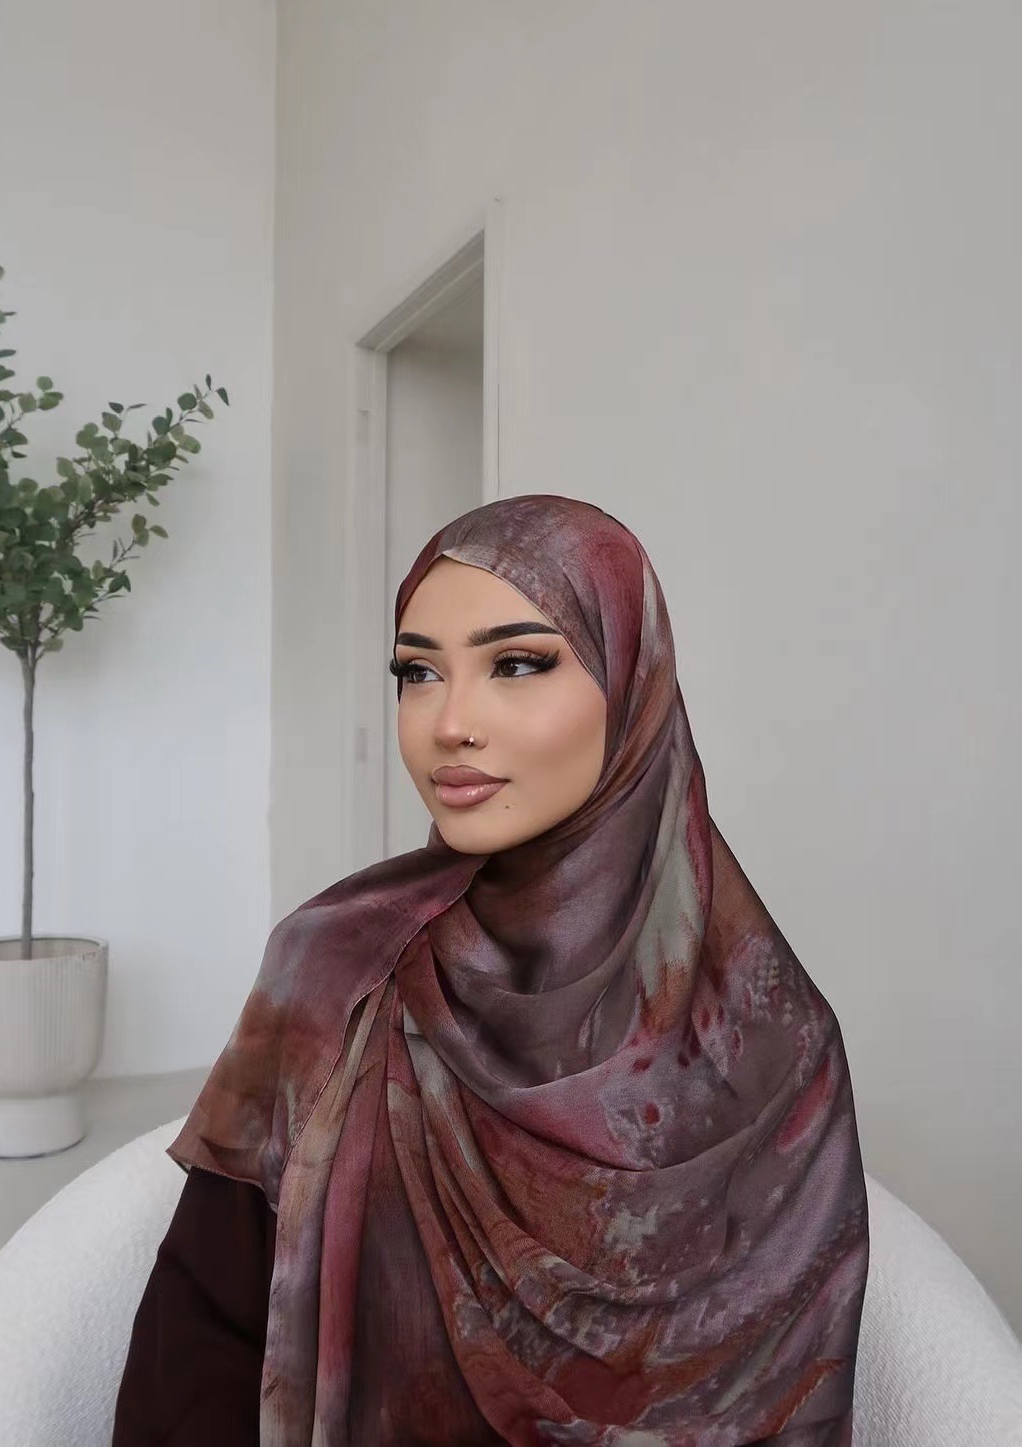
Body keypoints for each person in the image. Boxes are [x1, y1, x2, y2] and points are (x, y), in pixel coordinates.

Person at [113, 493, 870, 1445]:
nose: (448, 723)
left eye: (516, 663)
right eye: (417, 672)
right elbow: (201, 1338)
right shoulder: (335, 966)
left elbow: (790, 1399)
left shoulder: (770, 1043)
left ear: (631, 686)